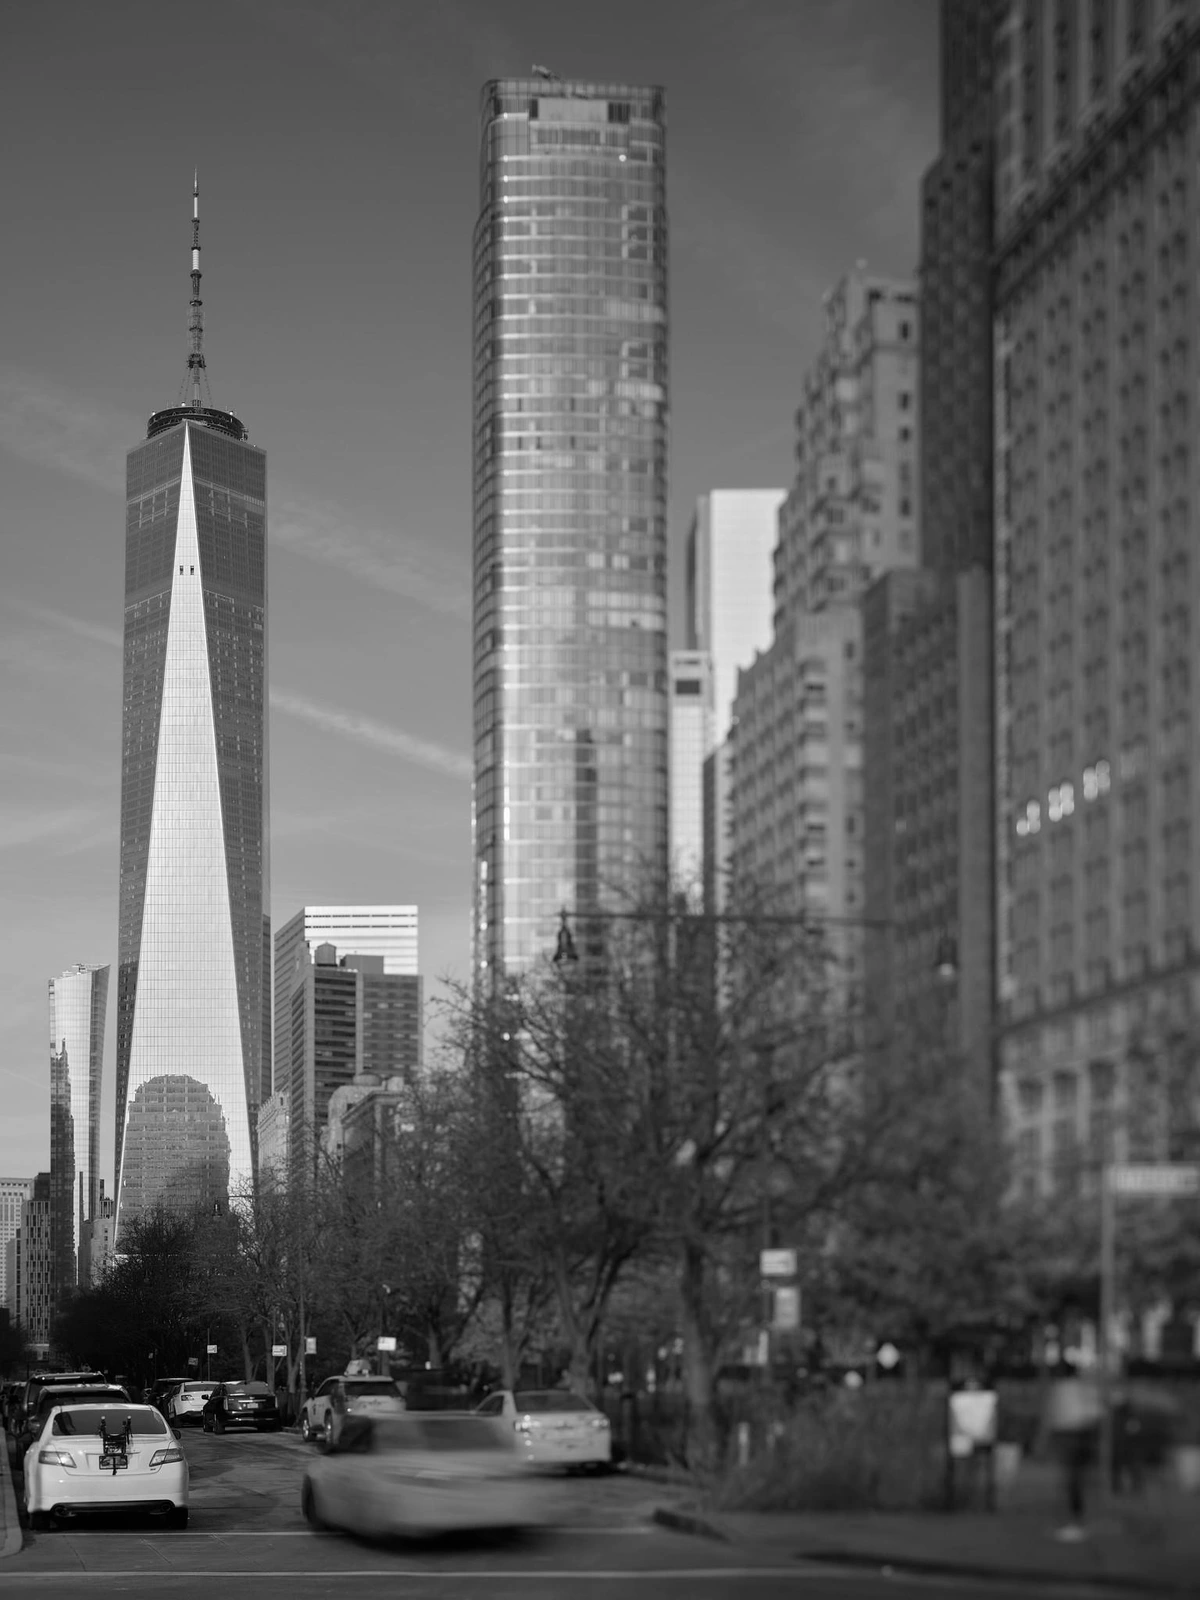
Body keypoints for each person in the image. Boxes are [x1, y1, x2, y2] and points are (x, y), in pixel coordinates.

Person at [1044, 1360, 1102, 1540]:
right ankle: (1076, 1513)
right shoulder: (1085, 1387)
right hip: (1083, 1432)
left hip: (1067, 1434)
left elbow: (1052, 1415)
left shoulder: (1058, 1389)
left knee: (1072, 1477)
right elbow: (1096, 1411)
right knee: (1077, 1476)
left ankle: (1074, 1515)